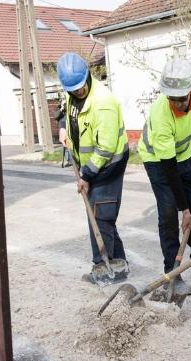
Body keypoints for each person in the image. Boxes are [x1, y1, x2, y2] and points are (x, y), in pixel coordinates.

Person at [137, 57, 191, 296]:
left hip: (185, 154)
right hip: (159, 161)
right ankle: (172, 273)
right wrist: (183, 210)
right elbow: (169, 168)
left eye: (181, 98)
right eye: (172, 98)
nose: (177, 103)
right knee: (168, 213)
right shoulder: (161, 114)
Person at [57, 53, 129, 282]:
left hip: (108, 165)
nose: (79, 92)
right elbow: (67, 113)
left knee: (100, 215)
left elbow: (105, 147)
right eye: (73, 90)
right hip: (90, 165)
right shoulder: (72, 94)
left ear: (88, 76)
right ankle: (119, 264)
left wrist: (86, 175)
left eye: (80, 88)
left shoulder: (103, 103)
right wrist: (61, 126)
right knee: (101, 215)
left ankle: (103, 269)